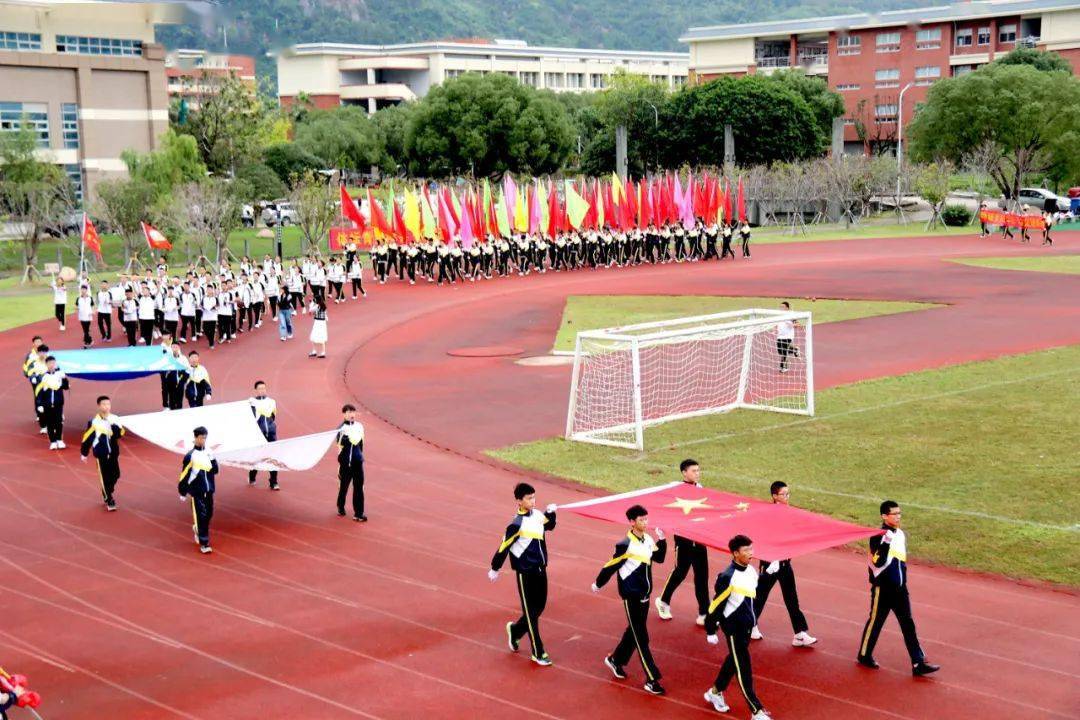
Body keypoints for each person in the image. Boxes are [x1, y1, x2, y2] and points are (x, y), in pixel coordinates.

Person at [858, 501, 940, 676]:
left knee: (908, 624)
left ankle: (918, 662)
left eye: (899, 513)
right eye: (894, 514)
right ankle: (864, 655)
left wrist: (903, 582)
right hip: (883, 589)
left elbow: (900, 563)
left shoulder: (901, 535)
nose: (898, 516)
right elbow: (878, 561)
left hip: (900, 589)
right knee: (876, 622)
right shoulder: (878, 536)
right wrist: (886, 541)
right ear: (884, 516)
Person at [592, 504, 667, 696]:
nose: (645, 522)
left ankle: (616, 659)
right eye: (641, 520)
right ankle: (652, 679)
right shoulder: (625, 544)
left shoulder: (648, 539)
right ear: (632, 522)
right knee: (642, 637)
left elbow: (659, 558)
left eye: (646, 519)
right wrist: (599, 583)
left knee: (633, 631)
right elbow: (611, 565)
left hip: (645, 595)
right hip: (631, 596)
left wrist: (663, 540)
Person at [489, 482, 558, 667]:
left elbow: (549, 526)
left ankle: (515, 630)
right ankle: (538, 651)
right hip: (525, 573)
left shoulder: (537, 515)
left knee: (539, 608)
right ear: (519, 501)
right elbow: (504, 546)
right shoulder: (516, 524)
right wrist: (495, 568)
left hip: (541, 570)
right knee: (530, 613)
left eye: (534, 497)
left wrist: (551, 513)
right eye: (529, 498)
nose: (533, 501)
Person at [703, 534, 771, 719]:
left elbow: (754, 592)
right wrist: (710, 629)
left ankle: (715, 692)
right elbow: (716, 604)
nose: (751, 553)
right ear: (735, 553)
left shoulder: (750, 571)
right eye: (746, 550)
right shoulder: (728, 576)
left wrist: (768, 574)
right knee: (743, 667)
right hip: (733, 628)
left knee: (732, 662)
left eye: (751, 548)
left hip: (747, 625)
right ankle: (756, 710)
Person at [750, 481, 816, 647]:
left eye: (788, 494)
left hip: (785, 563)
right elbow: (765, 538)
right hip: (771, 563)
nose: (787, 497)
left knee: (792, 599)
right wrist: (772, 560)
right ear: (774, 496)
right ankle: (749, 624)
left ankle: (800, 633)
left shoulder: (789, 512)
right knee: (760, 597)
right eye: (784, 494)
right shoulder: (769, 515)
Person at [656, 459, 710, 625]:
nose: (697, 473)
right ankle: (663, 601)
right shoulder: (675, 488)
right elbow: (663, 506)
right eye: (694, 471)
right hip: (683, 538)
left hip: (699, 538)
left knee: (702, 576)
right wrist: (662, 528)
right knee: (680, 572)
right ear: (684, 473)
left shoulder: (700, 489)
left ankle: (703, 613)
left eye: (698, 470)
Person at [79, 395, 125, 511]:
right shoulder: (94, 422)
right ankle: (109, 498)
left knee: (116, 474)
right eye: (104, 404)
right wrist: (84, 453)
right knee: (104, 477)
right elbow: (87, 437)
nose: (107, 407)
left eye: (108, 404)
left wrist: (113, 426)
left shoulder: (115, 418)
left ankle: (108, 490)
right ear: (99, 406)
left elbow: (121, 433)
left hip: (113, 453)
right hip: (101, 454)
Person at [178, 426, 218, 554]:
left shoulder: (208, 452)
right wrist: (182, 491)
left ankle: (197, 529)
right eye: (201, 438)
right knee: (201, 516)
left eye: (205, 438)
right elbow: (184, 474)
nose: (203, 440)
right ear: (195, 438)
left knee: (209, 514)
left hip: (209, 490)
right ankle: (204, 543)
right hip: (197, 492)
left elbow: (215, 470)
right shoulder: (190, 456)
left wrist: (213, 460)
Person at [336, 403, 366, 521]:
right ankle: (340, 506)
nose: (351, 414)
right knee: (344, 486)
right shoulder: (341, 428)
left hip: (357, 463)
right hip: (345, 464)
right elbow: (340, 443)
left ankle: (358, 513)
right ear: (344, 414)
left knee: (359, 487)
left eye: (353, 412)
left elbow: (361, 443)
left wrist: (360, 456)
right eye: (348, 412)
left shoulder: (359, 426)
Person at [248, 381, 279, 490]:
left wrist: (271, 428)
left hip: (271, 434)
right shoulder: (251, 402)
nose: (262, 390)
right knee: (257, 457)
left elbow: (273, 416)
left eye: (264, 388)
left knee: (273, 457)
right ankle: (252, 475)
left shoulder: (272, 402)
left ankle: (274, 481)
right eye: (260, 388)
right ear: (256, 390)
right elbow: (250, 418)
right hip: (258, 435)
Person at [34, 355, 68, 450]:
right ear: (46, 364)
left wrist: (64, 378)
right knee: (49, 423)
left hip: (58, 403)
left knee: (59, 422)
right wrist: (40, 404)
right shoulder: (44, 377)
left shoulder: (59, 375)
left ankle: (59, 440)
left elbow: (66, 387)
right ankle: (53, 441)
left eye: (53, 363)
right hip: (47, 404)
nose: (52, 365)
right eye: (49, 363)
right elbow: (39, 391)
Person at [776, 301, 799, 373]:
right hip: (780, 336)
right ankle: (795, 349)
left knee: (784, 352)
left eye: (783, 307)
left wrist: (792, 325)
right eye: (780, 307)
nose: (781, 308)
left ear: (787, 308)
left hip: (788, 336)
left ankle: (783, 367)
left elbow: (797, 324)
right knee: (780, 352)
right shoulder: (778, 315)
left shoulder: (791, 315)